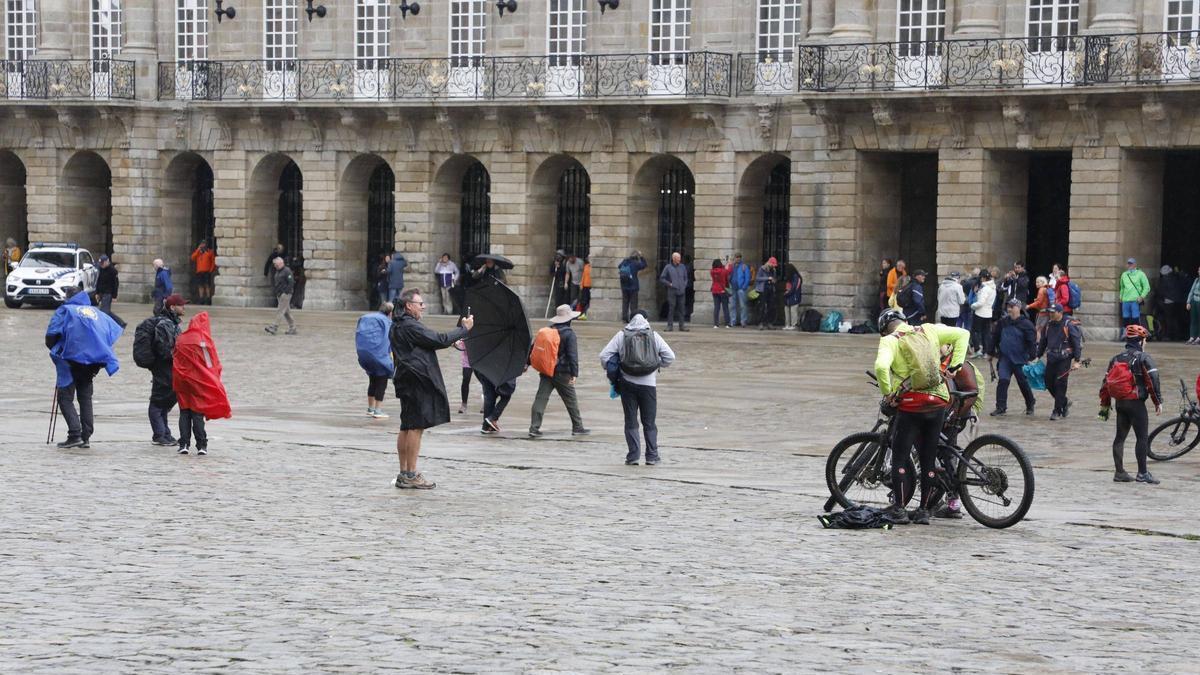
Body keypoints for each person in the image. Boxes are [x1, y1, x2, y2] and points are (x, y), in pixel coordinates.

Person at [874, 308, 970, 525]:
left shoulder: (890, 341)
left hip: (911, 403)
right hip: (937, 402)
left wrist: (888, 393)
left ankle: (899, 509)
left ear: (884, 329)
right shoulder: (928, 330)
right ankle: (924, 511)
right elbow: (963, 335)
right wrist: (955, 365)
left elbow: (881, 367)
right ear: (904, 320)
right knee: (928, 459)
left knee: (900, 456)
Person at [390, 288, 474, 489]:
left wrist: (452, 339)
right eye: (420, 303)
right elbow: (439, 339)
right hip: (417, 379)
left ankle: (404, 472)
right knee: (416, 427)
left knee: (406, 425)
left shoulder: (398, 325)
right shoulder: (410, 325)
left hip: (405, 377)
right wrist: (464, 329)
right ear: (409, 306)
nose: (423, 306)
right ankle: (411, 474)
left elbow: (425, 344)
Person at [45, 289, 122, 449]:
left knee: (65, 398)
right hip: (92, 363)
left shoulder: (66, 311)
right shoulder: (97, 313)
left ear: (68, 297)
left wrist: (57, 350)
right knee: (85, 397)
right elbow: (110, 334)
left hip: (69, 360)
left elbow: (51, 336)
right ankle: (85, 437)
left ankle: (74, 434)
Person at [599, 310, 676, 465]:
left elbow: (604, 356)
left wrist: (616, 368)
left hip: (627, 383)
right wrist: (655, 364)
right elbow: (670, 357)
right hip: (649, 385)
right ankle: (652, 456)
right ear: (646, 320)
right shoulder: (654, 336)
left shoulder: (621, 335)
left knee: (631, 420)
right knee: (649, 421)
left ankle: (633, 456)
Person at [1099, 324, 1162, 484]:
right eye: (1145, 340)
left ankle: (1119, 472)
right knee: (1142, 438)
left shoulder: (1116, 358)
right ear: (1140, 341)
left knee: (1119, 438)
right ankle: (1142, 473)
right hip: (1136, 403)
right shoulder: (1143, 357)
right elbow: (1153, 381)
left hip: (1120, 402)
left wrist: (1105, 406)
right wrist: (1157, 401)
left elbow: (1105, 383)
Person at [173, 311, 232, 456]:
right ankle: (201, 445)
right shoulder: (204, 341)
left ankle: (184, 444)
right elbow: (211, 364)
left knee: (184, 412)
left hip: (181, 380)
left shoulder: (181, 339)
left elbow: (175, 357)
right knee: (197, 413)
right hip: (198, 381)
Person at [529, 304, 588, 437]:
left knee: (541, 399)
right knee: (571, 400)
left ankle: (534, 428)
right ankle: (577, 427)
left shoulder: (547, 331)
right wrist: (574, 373)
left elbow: (534, 349)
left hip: (546, 370)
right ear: (569, 319)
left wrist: (527, 364)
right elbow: (573, 356)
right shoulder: (569, 334)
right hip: (563, 372)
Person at [143, 294, 186, 446]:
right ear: (173, 307)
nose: (184, 307)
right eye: (181, 305)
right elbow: (163, 349)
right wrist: (176, 355)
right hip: (163, 368)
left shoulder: (173, 323)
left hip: (171, 368)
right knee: (157, 402)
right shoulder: (164, 324)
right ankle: (159, 435)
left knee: (165, 402)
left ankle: (165, 433)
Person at [988, 299, 1037, 417]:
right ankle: (1000, 407)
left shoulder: (1027, 324)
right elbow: (995, 337)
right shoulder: (1003, 322)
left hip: (1021, 359)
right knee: (1003, 380)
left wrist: (1032, 357)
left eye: (1012, 307)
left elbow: (1031, 342)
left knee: (1023, 383)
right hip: (1005, 358)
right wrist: (990, 352)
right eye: (1008, 307)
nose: (1009, 309)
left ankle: (1030, 403)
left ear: (1019, 308)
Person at [1037, 303, 1083, 421]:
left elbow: (1076, 344)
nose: (1051, 314)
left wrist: (1077, 360)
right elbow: (1043, 341)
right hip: (1051, 358)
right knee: (1048, 382)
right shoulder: (1048, 325)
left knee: (1060, 384)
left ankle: (1057, 411)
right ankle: (1064, 402)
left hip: (1064, 359)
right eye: (1050, 312)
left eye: (1053, 312)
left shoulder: (1068, 325)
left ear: (1060, 312)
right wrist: (1037, 356)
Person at [356, 302, 395, 419]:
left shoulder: (366, 317)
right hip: (379, 356)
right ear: (391, 313)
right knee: (382, 381)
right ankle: (378, 410)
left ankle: (370, 408)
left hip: (364, 354)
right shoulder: (388, 322)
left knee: (372, 380)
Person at [264, 256, 296, 336]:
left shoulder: (287, 271)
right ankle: (293, 328)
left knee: (280, 310)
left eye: (276, 264)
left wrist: (286, 292)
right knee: (286, 312)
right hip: (279, 294)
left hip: (285, 294)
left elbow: (291, 282)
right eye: (274, 264)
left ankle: (274, 327)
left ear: (281, 263)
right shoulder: (278, 271)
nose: (275, 265)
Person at [659, 252, 689, 332]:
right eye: (678, 258)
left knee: (682, 309)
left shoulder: (683, 267)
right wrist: (669, 284)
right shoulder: (668, 267)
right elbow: (662, 278)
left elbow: (686, 278)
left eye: (679, 258)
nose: (679, 259)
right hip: (672, 291)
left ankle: (682, 326)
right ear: (674, 259)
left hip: (681, 291)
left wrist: (684, 285)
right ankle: (669, 326)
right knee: (671, 308)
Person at [968, 269, 995, 358]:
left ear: (983, 278)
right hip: (988, 313)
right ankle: (986, 351)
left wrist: (972, 306)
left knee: (974, 331)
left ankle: (977, 350)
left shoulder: (985, 288)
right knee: (986, 333)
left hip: (980, 313)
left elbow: (981, 302)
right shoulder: (993, 287)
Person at [93, 255, 125, 328]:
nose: (101, 265)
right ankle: (120, 323)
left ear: (107, 262)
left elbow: (115, 284)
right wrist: (97, 293)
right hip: (101, 292)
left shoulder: (113, 271)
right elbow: (99, 281)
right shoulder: (101, 269)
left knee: (104, 311)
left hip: (108, 293)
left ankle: (104, 326)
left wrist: (114, 296)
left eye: (102, 263)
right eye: (100, 264)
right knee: (106, 311)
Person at [1119, 257, 1150, 329]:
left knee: (1135, 318)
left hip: (1135, 300)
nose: (1129, 265)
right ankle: (1127, 335)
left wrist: (1142, 296)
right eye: (1128, 263)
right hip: (1125, 300)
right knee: (1125, 318)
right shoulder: (1124, 274)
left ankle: (1135, 335)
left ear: (1135, 265)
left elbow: (1147, 287)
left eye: (1131, 263)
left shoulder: (1141, 274)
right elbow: (1122, 287)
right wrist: (1121, 297)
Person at [618, 250, 647, 322]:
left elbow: (619, 266)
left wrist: (626, 259)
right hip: (633, 286)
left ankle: (624, 318)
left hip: (624, 286)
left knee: (625, 303)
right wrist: (641, 257)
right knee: (633, 304)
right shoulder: (636, 263)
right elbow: (644, 265)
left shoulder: (625, 261)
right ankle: (633, 318)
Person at [728, 253, 753, 327]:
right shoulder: (732, 266)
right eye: (736, 257)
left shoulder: (744, 266)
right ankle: (733, 321)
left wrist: (744, 287)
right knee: (732, 305)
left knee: (743, 305)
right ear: (734, 258)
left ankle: (743, 321)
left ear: (741, 258)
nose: (738, 259)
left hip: (740, 288)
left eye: (739, 257)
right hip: (733, 288)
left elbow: (747, 277)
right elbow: (728, 275)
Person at [755, 257, 779, 330]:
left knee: (771, 306)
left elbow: (774, 278)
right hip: (763, 289)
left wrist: (774, 280)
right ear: (769, 263)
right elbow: (758, 278)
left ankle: (769, 322)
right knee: (762, 307)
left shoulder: (773, 270)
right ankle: (760, 323)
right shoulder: (762, 269)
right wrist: (767, 278)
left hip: (770, 289)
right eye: (773, 264)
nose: (773, 266)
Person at [190, 240, 217, 305]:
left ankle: (208, 299)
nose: (203, 245)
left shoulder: (209, 252)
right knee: (200, 286)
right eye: (202, 244)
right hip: (199, 271)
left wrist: (211, 270)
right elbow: (192, 258)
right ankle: (201, 298)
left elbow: (213, 262)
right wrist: (198, 250)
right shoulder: (198, 252)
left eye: (204, 244)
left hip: (207, 271)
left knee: (207, 285)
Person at [709, 258, 731, 328]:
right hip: (722, 290)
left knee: (716, 308)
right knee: (725, 308)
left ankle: (716, 324)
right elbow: (728, 272)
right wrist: (728, 264)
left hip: (714, 290)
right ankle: (727, 324)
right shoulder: (723, 271)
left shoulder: (712, 271)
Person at [456, 338, 474, 415]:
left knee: (484, 381)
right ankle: (464, 404)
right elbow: (457, 342)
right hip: (467, 361)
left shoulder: (481, 332)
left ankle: (486, 404)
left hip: (480, 360)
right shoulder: (464, 333)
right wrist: (454, 343)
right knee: (465, 380)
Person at [783, 263, 803, 330]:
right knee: (787, 310)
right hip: (788, 297)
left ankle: (794, 325)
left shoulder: (796, 277)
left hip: (794, 296)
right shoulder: (789, 277)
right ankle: (787, 324)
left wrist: (788, 293)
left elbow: (795, 288)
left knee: (793, 311)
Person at [1187, 265, 1200, 344]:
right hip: (1194, 300)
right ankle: (1192, 337)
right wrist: (1188, 302)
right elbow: (1191, 291)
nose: (1198, 272)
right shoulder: (1196, 280)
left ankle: (1198, 337)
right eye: (1198, 270)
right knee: (1194, 320)